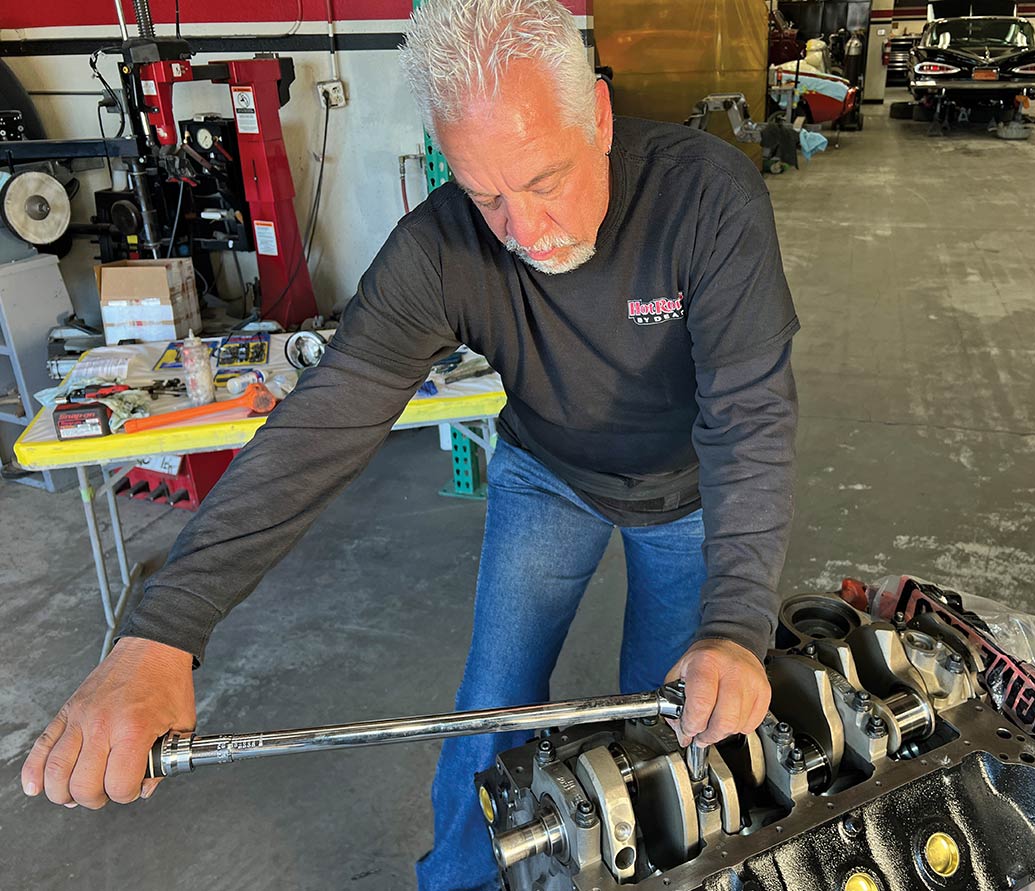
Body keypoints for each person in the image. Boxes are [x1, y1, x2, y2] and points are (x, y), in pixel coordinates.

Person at [21, 1, 800, 888]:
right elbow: (323, 422)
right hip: (549, 476)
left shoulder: (708, 198)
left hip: (687, 493)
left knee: (672, 724)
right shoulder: (439, 248)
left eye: (546, 180)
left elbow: (748, 417)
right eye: (486, 194)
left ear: (602, 116)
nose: (525, 230)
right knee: (491, 708)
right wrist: (160, 632)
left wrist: (738, 626)